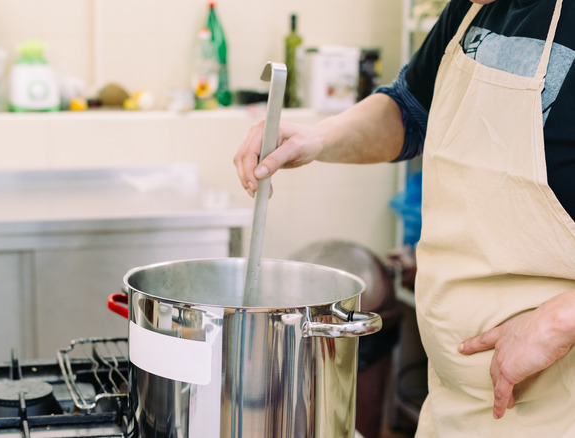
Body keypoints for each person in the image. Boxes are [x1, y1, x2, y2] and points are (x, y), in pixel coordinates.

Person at [234, 0, 575, 435]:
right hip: (455, 406)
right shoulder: (474, 9)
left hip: (557, 411)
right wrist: (318, 138)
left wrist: (565, 317)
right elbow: (411, 110)